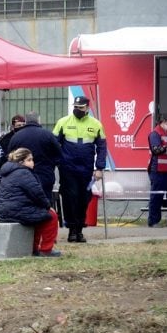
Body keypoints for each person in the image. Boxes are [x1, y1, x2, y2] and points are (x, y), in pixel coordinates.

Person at [52, 95, 107, 243]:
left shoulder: (96, 124)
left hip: (86, 169)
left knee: (84, 198)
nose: (77, 110)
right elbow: (54, 144)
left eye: (81, 107)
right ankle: (71, 230)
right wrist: (58, 162)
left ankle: (80, 229)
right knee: (70, 198)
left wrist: (100, 168)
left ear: (87, 108)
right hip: (67, 168)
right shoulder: (63, 122)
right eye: (75, 107)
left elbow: (102, 147)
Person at [0, 148, 61, 257]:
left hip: (4, 211)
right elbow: (37, 193)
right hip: (16, 211)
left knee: (39, 216)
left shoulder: (8, 172)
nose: (32, 162)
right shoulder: (24, 173)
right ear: (21, 162)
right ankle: (46, 249)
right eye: (29, 160)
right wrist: (48, 206)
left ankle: (34, 248)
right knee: (51, 216)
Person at [8, 111, 62, 203]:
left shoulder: (16, 137)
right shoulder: (47, 135)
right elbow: (58, 154)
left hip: (22, 175)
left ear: (26, 121)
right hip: (45, 174)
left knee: (25, 201)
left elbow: (10, 156)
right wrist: (52, 164)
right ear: (39, 120)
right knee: (44, 202)